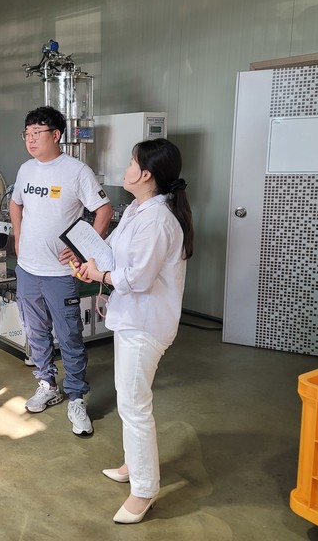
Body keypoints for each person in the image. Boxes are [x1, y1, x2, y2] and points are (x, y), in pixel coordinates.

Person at [77, 138, 194, 524]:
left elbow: (138, 278)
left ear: (145, 174)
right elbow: (112, 254)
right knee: (129, 398)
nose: (125, 168)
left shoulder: (158, 220)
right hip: (130, 319)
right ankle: (133, 463)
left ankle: (144, 490)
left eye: (131, 162)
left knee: (133, 405)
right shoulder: (136, 210)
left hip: (146, 324)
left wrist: (101, 275)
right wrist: (88, 262)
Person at [9, 106, 113, 435]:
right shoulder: (26, 169)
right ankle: (47, 384)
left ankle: (77, 397)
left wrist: (84, 247)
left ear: (56, 135)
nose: (30, 139)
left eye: (36, 133)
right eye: (26, 134)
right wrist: (18, 237)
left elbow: (104, 209)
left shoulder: (76, 171)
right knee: (35, 331)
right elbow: (15, 203)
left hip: (60, 273)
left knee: (69, 335)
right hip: (28, 269)